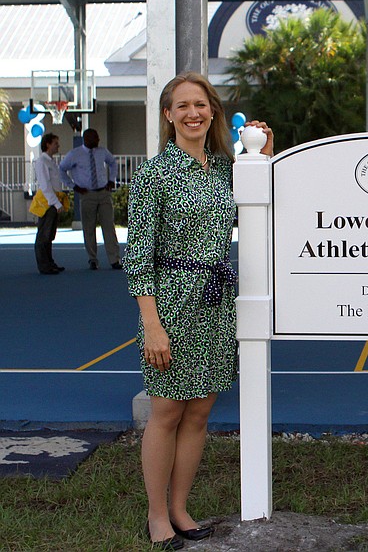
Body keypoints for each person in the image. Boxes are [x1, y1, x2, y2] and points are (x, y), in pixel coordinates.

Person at [122, 71, 273, 550]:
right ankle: (155, 514)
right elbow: (138, 255)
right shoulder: (154, 174)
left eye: (201, 104)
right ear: (168, 115)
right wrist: (152, 325)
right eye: (183, 105)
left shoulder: (225, 168)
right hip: (169, 302)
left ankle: (180, 507)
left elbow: (263, 199)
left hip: (214, 301)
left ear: (213, 112)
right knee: (166, 411)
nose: (193, 113)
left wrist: (264, 151)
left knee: (200, 412)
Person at [58, 128, 122, 270]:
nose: (98, 140)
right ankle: (92, 259)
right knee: (89, 227)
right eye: (95, 138)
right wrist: (73, 186)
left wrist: (112, 179)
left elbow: (113, 162)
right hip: (87, 194)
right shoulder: (75, 154)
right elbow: (62, 169)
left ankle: (115, 259)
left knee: (109, 226)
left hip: (104, 192)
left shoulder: (102, 152)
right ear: (86, 139)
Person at [31, 133, 67, 274]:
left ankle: (50, 262)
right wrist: (56, 203)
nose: (58, 146)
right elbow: (45, 185)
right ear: (48, 144)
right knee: (44, 235)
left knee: (50, 234)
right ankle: (44, 265)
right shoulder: (42, 162)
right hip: (47, 202)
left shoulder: (50, 161)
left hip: (53, 200)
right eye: (55, 143)